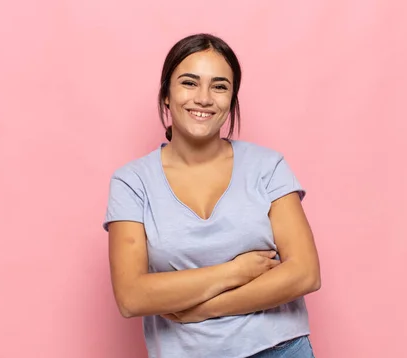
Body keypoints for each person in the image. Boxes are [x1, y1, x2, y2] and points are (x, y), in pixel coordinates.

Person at [102, 33, 321, 358]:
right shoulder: (132, 182)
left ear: (231, 100)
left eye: (219, 86)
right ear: (166, 94)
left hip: (281, 349)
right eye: (189, 83)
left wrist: (204, 309)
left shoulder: (267, 166)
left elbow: (305, 273)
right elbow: (132, 297)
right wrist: (232, 271)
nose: (203, 98)